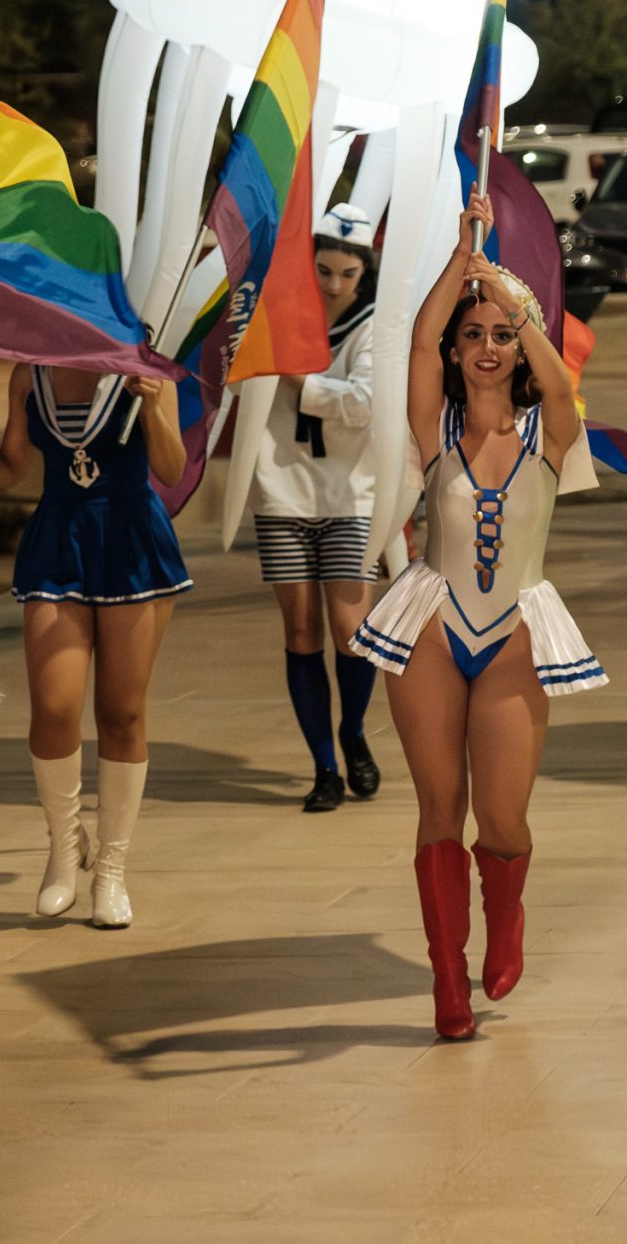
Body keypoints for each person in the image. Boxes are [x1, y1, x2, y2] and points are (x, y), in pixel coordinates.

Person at [346, 189, 605, 1041]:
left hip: (514, 634)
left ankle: (507, 916)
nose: (487, 347)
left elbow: (561, 379)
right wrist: (463, 258)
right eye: (474, 335)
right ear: (455, 352)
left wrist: (508, 292)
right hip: (428, 620)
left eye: (499, 336)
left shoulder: (550, 432)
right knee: (438, 806)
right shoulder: (435, 428)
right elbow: (415, 339)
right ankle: (446, 981)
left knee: (502, 817)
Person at [0, 328, 187, 929]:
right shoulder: (31, 371)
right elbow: (11, 464)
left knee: (122, 713)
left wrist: (153, 404)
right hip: (59, 538)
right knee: (53, 709)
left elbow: (172, 470)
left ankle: (111, 871)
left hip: (131, 539)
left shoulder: (147, 366)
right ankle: (62, 847)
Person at [250, 203, 385, 812]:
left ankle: (354, 733)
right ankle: (324, 767)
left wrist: (297, 382)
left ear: (364, 274)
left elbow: (363, 403)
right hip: (282, 491)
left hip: (352, 494)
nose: (334, 285)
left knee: (351, 633)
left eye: (347, 274)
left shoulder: (376, 326)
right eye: (324, 271)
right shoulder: (274, 320)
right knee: (301, 632)